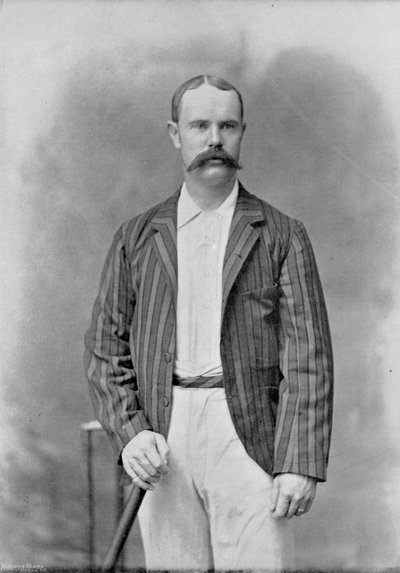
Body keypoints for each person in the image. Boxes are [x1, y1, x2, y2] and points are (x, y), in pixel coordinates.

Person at [84, 74, 334, 571]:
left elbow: (308, 357)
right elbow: (105, 350)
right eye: (199, 126)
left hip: (250, 436)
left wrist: (298, 462)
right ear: (175, 134)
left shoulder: (282, 234)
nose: (215, 139)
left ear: (242, 132)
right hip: (163, 433)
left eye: (228, 126)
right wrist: (131, 434)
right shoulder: (136, 237)